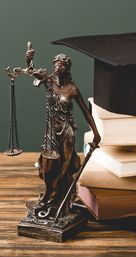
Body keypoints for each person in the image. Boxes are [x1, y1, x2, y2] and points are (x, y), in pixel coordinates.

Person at [26, 51, 101, 216]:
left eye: (61, 67)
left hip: (66, 133)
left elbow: (86, 112)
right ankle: (49, 193)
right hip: (51, 131)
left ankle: (65, 203)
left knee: (65, 168)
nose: (58, 69)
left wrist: (96, 133)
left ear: (67, 70)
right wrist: (29, 60)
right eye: (56, 66)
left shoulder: (72, 89)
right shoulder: (49, 82)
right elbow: (31, 71)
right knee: (47, 167)